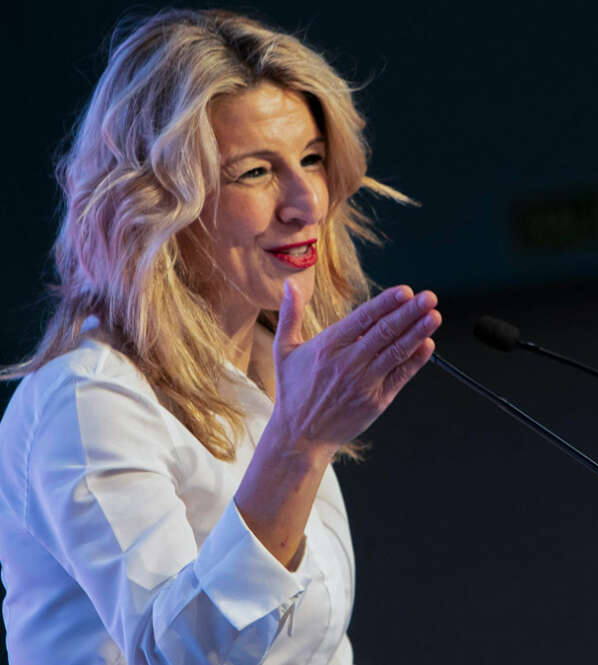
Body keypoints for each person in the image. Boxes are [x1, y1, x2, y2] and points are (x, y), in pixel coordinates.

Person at [0, 8, 441, 664]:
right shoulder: (87, 396)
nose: (305, 202)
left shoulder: (275, 371)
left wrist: (297, 433)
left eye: (312, 159)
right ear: (158, 199)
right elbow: (179, 651)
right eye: (255, 172)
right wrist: (298, 443)